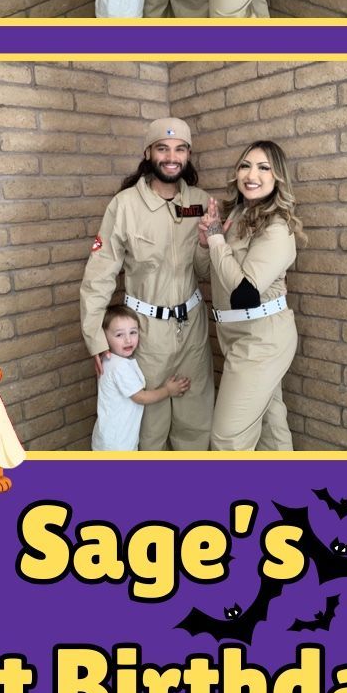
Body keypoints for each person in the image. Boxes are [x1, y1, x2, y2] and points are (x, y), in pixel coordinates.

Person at [80, 118, 215, 451]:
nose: (172, 157)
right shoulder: (124, 205)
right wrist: (95, 336)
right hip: (145, 332)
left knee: (196, 421)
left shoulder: (200, 201)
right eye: (163, 148)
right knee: (150, 427)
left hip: (192, 328)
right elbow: (99, 274)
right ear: (148, 152)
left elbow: (204, 270)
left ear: (188, 154)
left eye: (180, 149)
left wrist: (203, 243)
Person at [199, 141, 305, 452]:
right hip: (234, 334)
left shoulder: (276, 228)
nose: (251, 174)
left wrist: (218, 239)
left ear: (278, 178)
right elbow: (207, 272)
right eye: (246, 165)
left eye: (263, 167)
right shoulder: (236, 216)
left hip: (263, 339)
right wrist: (207, 242)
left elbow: (244, 294)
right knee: (271, 424)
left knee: (227, 438)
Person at [92, 305, 191, 451]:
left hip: (107, 437)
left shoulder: (106, 359)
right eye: (119, 335)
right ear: (104, 336)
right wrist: (168, 390)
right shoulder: (120, 367)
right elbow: (141, 397)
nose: (128, 340)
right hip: (118, 443)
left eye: (133, 332)